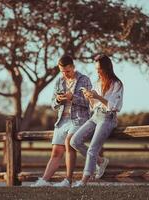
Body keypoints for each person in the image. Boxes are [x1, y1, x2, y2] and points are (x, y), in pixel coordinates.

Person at [31, 55, 92, 187]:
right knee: (56, 151)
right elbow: (53, 104)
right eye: (62, 71)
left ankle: (67, 180)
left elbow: (90, 103)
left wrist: (73, 98)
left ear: (73, 67)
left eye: (67, 71)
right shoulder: (59, 81)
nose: (65, 74)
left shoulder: (84, 80)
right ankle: (44, 181)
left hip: (79, 119)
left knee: (69, 143)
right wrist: (58, 100)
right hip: (62, 120)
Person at [70, 54, 124, 187]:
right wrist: (89, 97)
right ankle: (100, 161)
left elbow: (114, 106)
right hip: (95, 116)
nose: (97, 71)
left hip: (108, 118)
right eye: (96, 69)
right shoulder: (98, 83)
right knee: (74, 141)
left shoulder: (117, 84)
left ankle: (83, 181)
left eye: (99, 68)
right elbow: (94, 105)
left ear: (106, 68)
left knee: (92, 149)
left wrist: (98, 97)